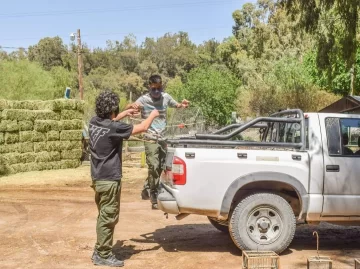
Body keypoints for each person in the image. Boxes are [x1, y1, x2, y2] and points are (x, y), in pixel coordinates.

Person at [89, 90, 159, 267]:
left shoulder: (94, 122)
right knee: (109, 217)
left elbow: (111, 121)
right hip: (110, 180)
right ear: (112, 110)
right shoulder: (114, 127)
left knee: (104, 215)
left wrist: (125, 113)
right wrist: (153, 114)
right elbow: (142, 128)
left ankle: (100, 249)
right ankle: (103, 255)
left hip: (98, 178)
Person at [126, 74, 189, 209]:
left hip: (163, 138)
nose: (156, 92)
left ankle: (147, 186)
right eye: (153, 89)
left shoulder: (166, 97)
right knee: (153, 165)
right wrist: (131, 106)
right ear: (149, 86)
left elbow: (177, 105)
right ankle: (154, 195)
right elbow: (130, 107)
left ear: (161, 87)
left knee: (160, 166)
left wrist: (183, 105)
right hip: (150, 137)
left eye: (158, 89)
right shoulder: (144, 99)